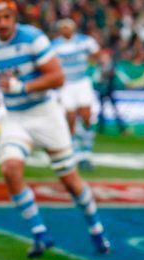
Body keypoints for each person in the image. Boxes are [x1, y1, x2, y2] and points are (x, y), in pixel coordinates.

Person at [0, 0, 109, 258]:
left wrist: (21, 87)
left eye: (6, 17)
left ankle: (96, 228)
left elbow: (57, 77)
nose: (2, 23)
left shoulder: (34, 38)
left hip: (45, 113)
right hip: (15, 116)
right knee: (9, 169)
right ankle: (39, 233)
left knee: (69, 180)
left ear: (14, 17)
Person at [51, 18, 99, 171]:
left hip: (81, 82)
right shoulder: (55, 45)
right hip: (66, 85)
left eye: (68, 27)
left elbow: (97, 52)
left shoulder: (84, 41)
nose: (66, 30)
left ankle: (87, 152)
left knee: (86, 116)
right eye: (63, 27)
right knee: (70, 117)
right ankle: (77, 153)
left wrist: (93, 65)